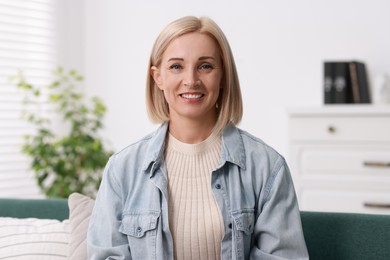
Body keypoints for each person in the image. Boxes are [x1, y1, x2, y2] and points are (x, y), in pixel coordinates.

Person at [87, 16, 309, 260]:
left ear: (223, 75)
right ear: (157, 77)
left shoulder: (267, 167)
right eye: (176, 66)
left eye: (205, 66)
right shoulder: (122, 169)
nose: (191, 80)